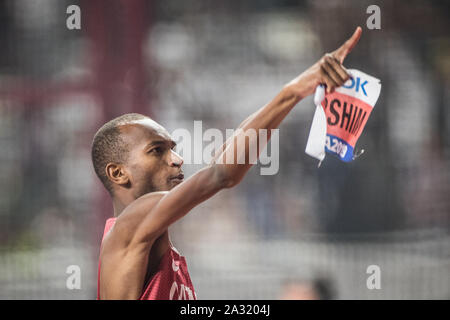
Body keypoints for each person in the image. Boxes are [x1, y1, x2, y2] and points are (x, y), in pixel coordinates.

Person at [91, 27, 362, 300]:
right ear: (118, 172)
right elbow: (221, 174)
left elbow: (222, 160)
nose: (176, 159)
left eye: (172, 149)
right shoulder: (129, 225)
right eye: (157, 150)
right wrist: (292, 92)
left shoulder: (149, 243)